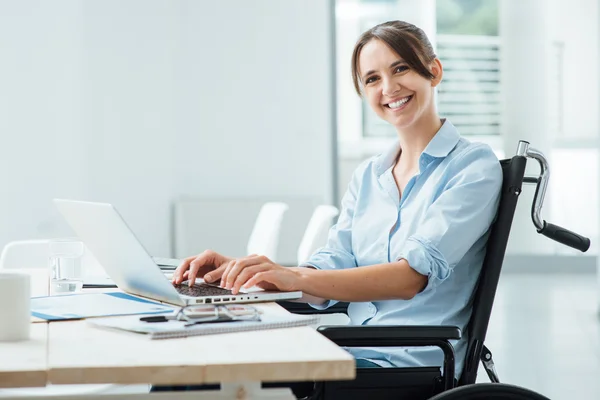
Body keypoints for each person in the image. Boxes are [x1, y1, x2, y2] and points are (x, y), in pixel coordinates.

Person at [168, 19, 502, 396]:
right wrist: (251, 275)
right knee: (184, 369)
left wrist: (295, 278)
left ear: (434, 71)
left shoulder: (474, 167)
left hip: (406, 365)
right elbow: (334, 263)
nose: (389, 88)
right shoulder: (369, 176)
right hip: (345, 350)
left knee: (206, 381)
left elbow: (410, 278)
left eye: (401, 68)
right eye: (372, 79)